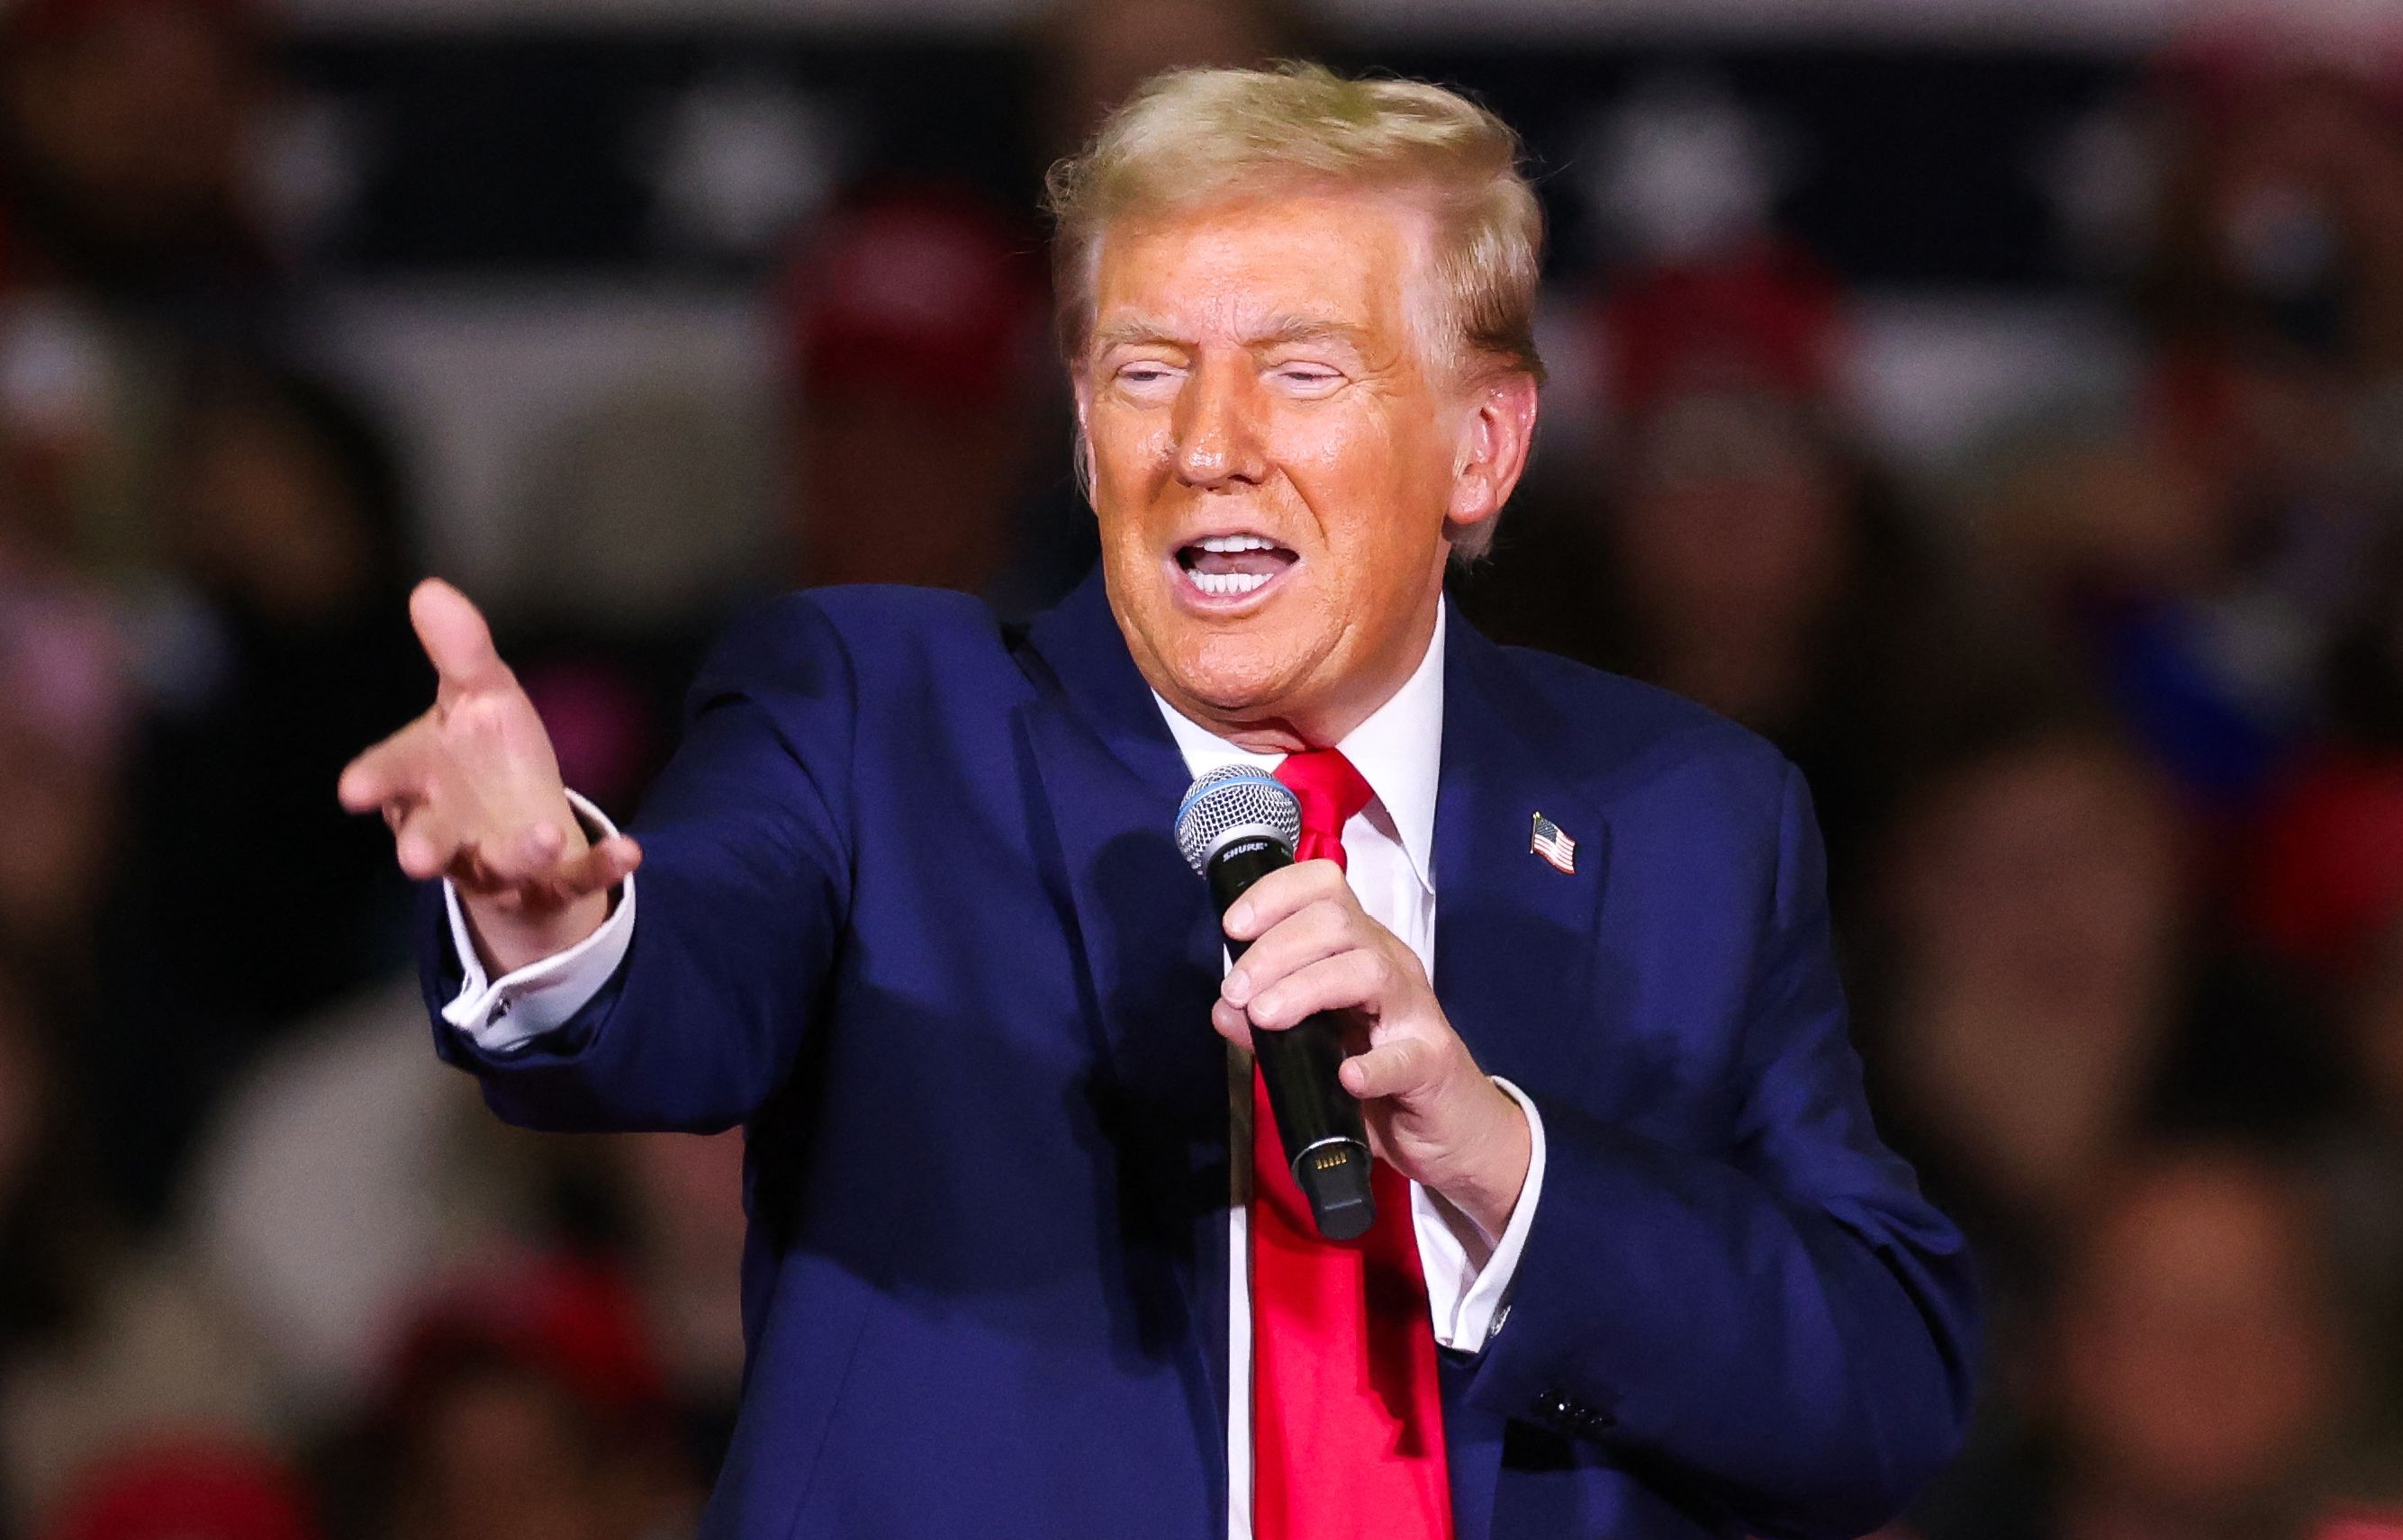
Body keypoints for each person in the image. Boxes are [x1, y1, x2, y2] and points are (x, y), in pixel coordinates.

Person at [340, 64, 1976, 1539]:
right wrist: (553, 912)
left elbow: (1879, 1392)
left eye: (1299, 371)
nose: (1205, 446)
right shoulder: (884, 713)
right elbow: (675, 991)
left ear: (1479, 448)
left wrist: (1499, 1166)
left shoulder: (1688, 816)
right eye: (1145, 370)